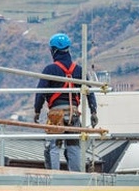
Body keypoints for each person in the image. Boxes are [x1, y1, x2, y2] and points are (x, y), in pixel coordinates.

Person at [34, 33, 98, 171]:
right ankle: (76, 176)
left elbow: (40, 93)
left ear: (53, 50)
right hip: (73, 115)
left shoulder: (50, 70)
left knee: (53, 147)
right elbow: (90, 92)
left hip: (56, 115)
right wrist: (94, 112)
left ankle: (54, 176)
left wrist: (37, 111)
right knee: (73, 147)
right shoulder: (79, 71)